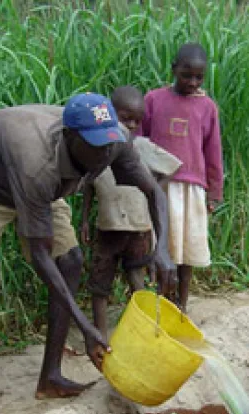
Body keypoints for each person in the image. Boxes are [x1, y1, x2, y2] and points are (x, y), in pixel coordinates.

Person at [0, 93, 176, 414]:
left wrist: (162, 249)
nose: (103, 155)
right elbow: (38, 256)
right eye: (95, 147)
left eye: (107, 146)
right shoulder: (36, 159)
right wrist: (85, 326)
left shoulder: (110, 140)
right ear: (70, 138)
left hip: (42, 190)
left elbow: (154, 192)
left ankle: (50, 378)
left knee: (70, 261)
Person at [80, 86, 182, 349]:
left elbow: (173, 165)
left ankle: (145, 332)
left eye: (137, 121)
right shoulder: (98, 149)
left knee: (137, 280)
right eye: (125, 119)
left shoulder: (142, 147)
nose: (132, 125)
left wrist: (153, 189)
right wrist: (83, 221)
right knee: (100, 285)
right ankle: (101, 336)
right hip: (107, 227)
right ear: (110, 115)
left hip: (138, 227)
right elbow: (88, 188)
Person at [140, 42, 224, 313]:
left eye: (199, 77)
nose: (192, 81)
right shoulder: (153, 99)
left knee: (186, 250)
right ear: (174, 69)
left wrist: (215, 191)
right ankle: (160, 304)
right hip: (158, 185)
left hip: (191, 188)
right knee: (160, 245)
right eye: (186, 75)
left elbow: (213, 151)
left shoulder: (207, 107)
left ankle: (182, 304)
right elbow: (139, 140)